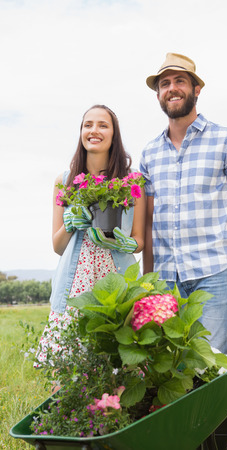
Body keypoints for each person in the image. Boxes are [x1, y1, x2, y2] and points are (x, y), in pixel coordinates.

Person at [140, 53, 227, 449]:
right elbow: (146, 224)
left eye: (180, 81)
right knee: (172, 369)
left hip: (214, 272)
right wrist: (149, 283)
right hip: (165, 276)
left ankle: (215, 443)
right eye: (164, 83)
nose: (172, 89)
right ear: (158, 94)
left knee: (213, 368)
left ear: (196, 88)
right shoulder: (149, 153)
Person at [35, 104, 146, 368]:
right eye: (88, 125)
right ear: (81, 132)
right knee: (69, 367)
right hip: (75, 283)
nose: (94, 130)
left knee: (120, 364)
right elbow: (57, 245)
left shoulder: (131, 181)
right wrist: (71, 224)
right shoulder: (64, 181)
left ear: (113, 135)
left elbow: (139, 241)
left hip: (116, 279)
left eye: (103, 125)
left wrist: (126, 242)